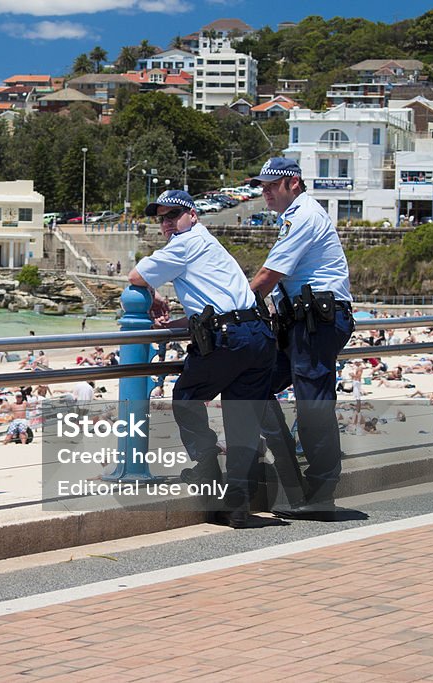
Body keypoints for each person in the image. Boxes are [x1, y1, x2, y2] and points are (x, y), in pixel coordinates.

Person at [129, 190, 276, 529]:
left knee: (186, 396)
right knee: (243, 420)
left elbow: (136, 277)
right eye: (162, 218)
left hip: (230, 340)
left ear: (192, 215)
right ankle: (237, 506)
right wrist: (181, 322)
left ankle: (207, 464)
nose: (167, 223)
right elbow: (219, 305)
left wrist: (152, 293)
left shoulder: (185, 243)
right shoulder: (212, 246)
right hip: (257, 335)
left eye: (173, 215)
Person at [248, 158, 355, 520]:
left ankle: (321, 492)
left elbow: (269, 275)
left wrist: (234, 309)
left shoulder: (303, 215)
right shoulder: (295, 216)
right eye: (261, 188)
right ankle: (292, 478)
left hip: (317, 323)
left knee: (313, 404)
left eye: (270, 187)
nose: (264, 193)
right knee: (255, 381)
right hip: (300, 323)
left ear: (293, 183)